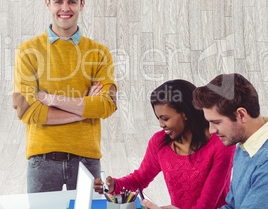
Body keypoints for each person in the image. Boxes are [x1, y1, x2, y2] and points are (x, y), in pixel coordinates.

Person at [12, 0, 117, 193]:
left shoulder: (99, 53)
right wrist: (84, 107)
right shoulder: (28, 51)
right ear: (48, 4)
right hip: (42, 160)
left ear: (82, 4)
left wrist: (51, 99)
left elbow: (107, 105)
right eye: (58, 1)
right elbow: (27, 110)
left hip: (87, 161)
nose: (65, 8)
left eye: (72, 1)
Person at [94, 79, 235, 209]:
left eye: (165, 118)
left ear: (185, 113)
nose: (161, 125)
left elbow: (206, 205)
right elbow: (140, 179)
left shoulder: (221, 144)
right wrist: (114, 185)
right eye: (158, 118)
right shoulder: (159, 142)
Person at [192, 73, 268, 208]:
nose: (211, 130)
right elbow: (232, 206)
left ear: (241, 115)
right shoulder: (245, 146)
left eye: (216, 122)